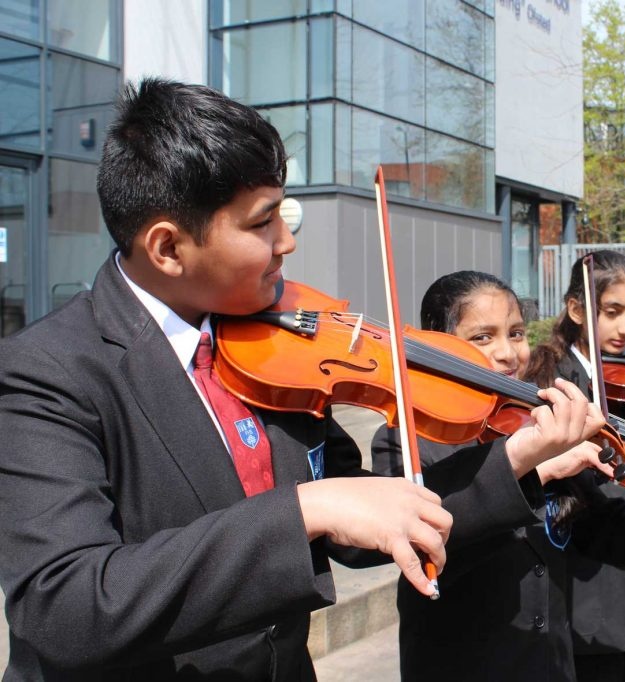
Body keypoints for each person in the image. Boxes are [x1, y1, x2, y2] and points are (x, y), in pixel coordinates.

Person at [0, 80, 449, 680]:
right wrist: (302, 509)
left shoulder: (275, 349)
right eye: (262, 223)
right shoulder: (45, 372)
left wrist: (517, 464)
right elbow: (68, 604)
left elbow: (353, 512)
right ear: (167, 248)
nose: (287, 242)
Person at [373, 268, 625, 682]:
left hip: (551, 661)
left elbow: (604, 539)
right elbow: (430, 553)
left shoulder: (533, 422)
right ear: (438, 343)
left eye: (517, 333)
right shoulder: (406, 437)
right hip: (463, 662)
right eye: (483, 337)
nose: (508, 352)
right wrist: (534, 469)